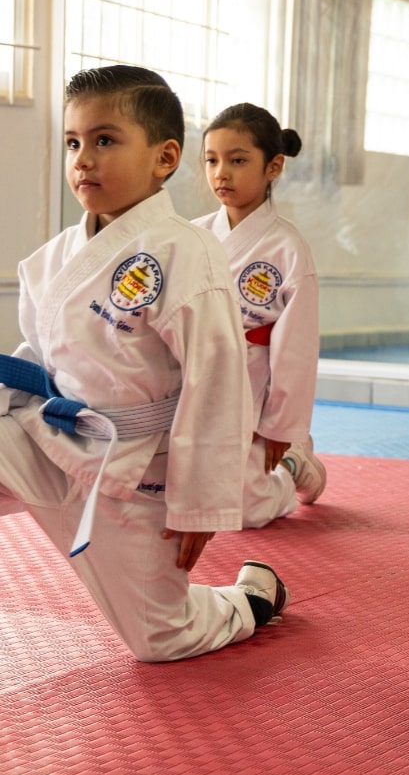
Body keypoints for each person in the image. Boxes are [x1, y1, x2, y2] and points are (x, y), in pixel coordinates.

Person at [0, 65, 287, 663]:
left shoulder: (184, 253)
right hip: (47, 440)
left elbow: (217, 383)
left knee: (160, 639)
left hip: (132, 474)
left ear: (165, 158)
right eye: (73, 143)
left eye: (104, 140)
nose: (83, 159)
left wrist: (200, 504)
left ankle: (249, 598)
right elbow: (42, 357)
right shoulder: (54, 258)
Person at [194, 103, 326, 527]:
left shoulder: (287, 248)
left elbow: (296, 351)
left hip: (252, 386)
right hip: (192, 380)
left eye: (237, 161)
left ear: (274, 167)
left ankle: (294, 462)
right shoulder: (192, 237)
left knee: (243, 509)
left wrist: (281, 428)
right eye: (212, 160)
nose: (221, 173)